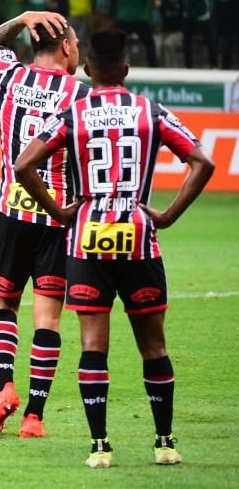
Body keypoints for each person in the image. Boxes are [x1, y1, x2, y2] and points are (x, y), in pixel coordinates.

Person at [14, 28, 214, 467]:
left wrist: (60, 211)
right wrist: (167, 215)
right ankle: (165, 442)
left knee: (92, 346)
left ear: (88, 69)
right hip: (140, 237)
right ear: (126, 68)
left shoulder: (74, 114)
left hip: (87, 237)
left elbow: (24, 164)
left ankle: (100, 447)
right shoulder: (152, 112)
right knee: (154, 346)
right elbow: (204, 161)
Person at [0, 10, 90, 438]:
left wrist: (22, 18)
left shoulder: (10, 77)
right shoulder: (80, 94)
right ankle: (34, 416)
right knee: (48, 317)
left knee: (4, 305)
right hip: (57, 216)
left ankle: (3, 388)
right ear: (65, 47)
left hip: (11, 210)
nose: (77, 49)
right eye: (76, 43)